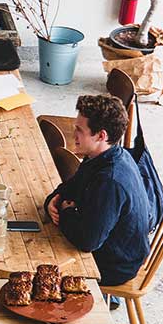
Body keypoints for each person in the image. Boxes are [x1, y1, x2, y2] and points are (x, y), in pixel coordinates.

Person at [45, 94, 151, 286]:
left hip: (115, 264)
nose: (74, 133)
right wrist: (54, 199)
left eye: (80, 129)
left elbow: (87, 242)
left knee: (41, 269)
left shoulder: (110, 181)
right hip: (107, 241)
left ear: (101, 136)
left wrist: (66, 211)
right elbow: (71, 187)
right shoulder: (99, 156)